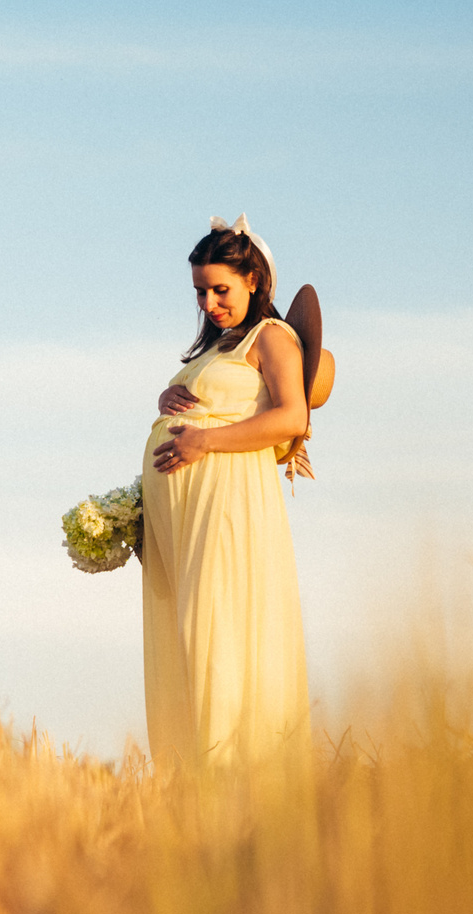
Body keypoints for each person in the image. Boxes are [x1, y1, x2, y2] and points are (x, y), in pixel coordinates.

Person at [139, 217, 312, 770]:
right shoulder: (218, 349)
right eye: (200, 292)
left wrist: (204, 442)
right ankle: (191, 775)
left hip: (228, 504)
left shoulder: (273, 338)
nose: (210, 303)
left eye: (221, 290)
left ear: (254, 281)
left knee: (219, 625)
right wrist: (171, 394)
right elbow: (215, 398)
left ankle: (233, 769)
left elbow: (292, 417)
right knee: (187, 632)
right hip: (185, 515)